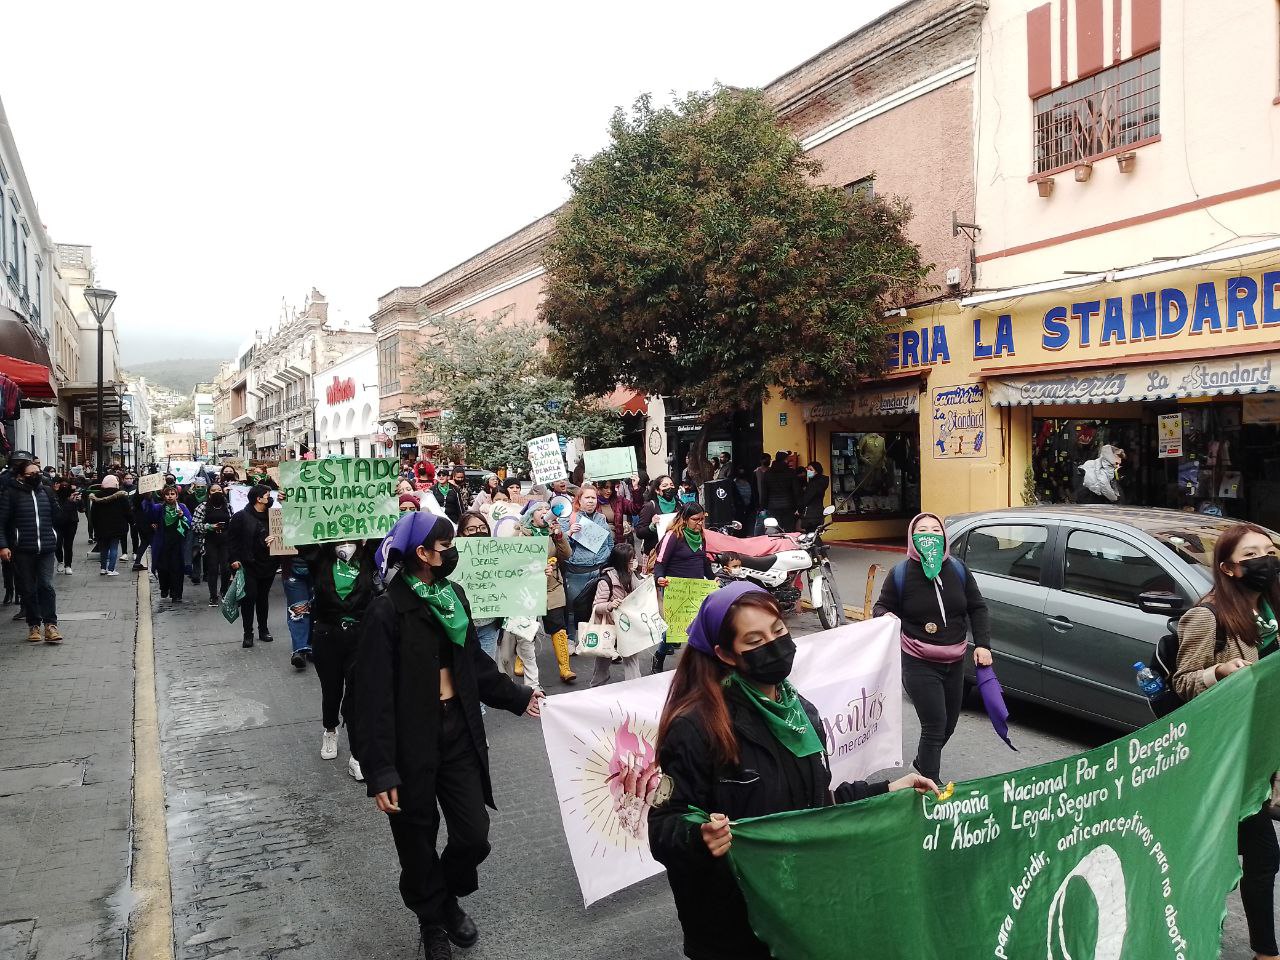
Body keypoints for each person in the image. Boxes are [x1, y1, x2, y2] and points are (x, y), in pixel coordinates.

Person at [649, 582, 937, 960]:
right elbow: (664, 823)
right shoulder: (696, 725)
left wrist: (888, 790)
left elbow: (819, 803)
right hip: (735, 928)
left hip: (801, 913)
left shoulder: (800, 712)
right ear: (725, 653)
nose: (773, 644)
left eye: (779, 631)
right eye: (754, 640)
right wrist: (698, 835)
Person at [354, 512, 543, 959]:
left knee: (473, 835)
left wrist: (519, 697)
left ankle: (441, 896)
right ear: (422, 553)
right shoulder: (388, 608)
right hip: (409, 741)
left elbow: (473, 666)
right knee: (417, 840)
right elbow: (371, 695)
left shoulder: (453, 595)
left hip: (457, 730)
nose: (452, 552)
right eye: (444, 546)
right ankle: (433, 917)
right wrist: (380, 769)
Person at [1172, 522, 1280, 960]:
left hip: (1263, 749)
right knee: (1259, 855)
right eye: (1251, 555)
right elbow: (1182, 682)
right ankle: (1265, 951)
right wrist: (1217, 672)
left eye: (1270, 550)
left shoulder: (1272, 609)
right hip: (1226, 758)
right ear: (1228, 568)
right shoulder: (1207, 616)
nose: (1266, 560)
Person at [873, 512, 992, 784]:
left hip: (955, 659)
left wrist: (983, 645)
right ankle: (930, 784)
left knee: (949, 724)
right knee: (935, 724)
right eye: (922, 530)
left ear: (944, 536)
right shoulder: (901, 574)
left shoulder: (958, 569)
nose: (929, 535)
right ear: (913, 538)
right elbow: (881, 606)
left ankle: (921, 763)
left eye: (935, 530)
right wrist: (886, 617)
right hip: (918, 660)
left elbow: (977, 607)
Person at [298, 537, 380, 782]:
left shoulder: (367, 558)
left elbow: (381, 530)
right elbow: (302, 536)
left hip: (360, 637)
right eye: (339, 539)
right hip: (327, 636)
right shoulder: (321, 560)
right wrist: (289, 501)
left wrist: (389, 498)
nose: (345, 543)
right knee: (331, 690)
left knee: (357, 695)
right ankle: (330, 728)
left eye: (349, 538)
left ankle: (357, 755)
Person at [499, 500, 572, 693]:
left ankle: (565, 667)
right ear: (531, 514)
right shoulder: (520, 533)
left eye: (547, 509)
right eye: (540, 509)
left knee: (558, 624)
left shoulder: (552, 532)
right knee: (526, 626)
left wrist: (559, 536)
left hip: (551, 585)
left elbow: (567, 554)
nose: (546, 512)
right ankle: (521, 661)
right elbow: (511, 560)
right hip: (528, 588)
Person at [0, 456, 63, 643]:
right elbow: (1, 523)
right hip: (22, 549)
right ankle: (34, 625)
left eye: (38, 472)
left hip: (46, 547)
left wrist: (64, 501)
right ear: (21, 476)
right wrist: (3, 545)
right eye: (32, 473)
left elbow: (57, 517)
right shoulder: (10, 493)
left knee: (46, 585)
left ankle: (51, 625)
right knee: (28, 588)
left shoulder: (46, 492)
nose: (37, 475)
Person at [651, 501, 715, 674]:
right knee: (675, 630)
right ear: (685, 519)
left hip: (696, 588)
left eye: (702, 519)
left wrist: (713, 579)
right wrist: (660, 578)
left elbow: (703, 561)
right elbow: (660, 562)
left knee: (698, 626)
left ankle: (696, 664)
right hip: (676, 589)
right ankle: (660, 655)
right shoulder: (672, 536)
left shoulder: (701, 536)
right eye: (696, 519)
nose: (700, 523)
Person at [563, 485, 614, 669]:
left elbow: (609, 541)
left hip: (598, 569)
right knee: (572, 606)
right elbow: (561, 546)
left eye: (593, 498)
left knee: (595, 607)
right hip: (577, 570)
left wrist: (605, 557)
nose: (591, 501)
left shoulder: (601, 519)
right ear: (579, 500)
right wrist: (569, 534)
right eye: (587, 498)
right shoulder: (570, 518)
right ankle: (570, 639)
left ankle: (591, 639)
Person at [228, 484, 280, 647]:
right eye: (267, 495)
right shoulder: (241, 517)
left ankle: (263, 629)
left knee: (263, 598)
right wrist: (234, 559)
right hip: (248, 564)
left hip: (269, 564)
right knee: (249, 598)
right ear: (258, 499)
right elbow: (232, 540)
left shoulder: (274, 517)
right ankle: (248, 632)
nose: (269, 498)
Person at [589, 542, 644, 686]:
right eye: (630, 559)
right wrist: (609, 605)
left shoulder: (630, 575)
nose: (633, 562)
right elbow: (596, 605)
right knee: (603, 658)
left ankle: (634, 687)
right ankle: (597, 687)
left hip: (626, 625)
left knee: (631, 657)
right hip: (610, 626)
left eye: (633, 559)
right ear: (622, 562)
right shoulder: (606, 580)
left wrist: (651, 581)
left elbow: (639, 589)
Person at [456, 511, 499, 661]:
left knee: (488, 671)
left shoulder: (500, 553)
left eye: (482, 527)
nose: (478, 532)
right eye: (472, 529)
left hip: (489, 624)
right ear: (461, 534)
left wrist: (539, 573)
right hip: (462, 627)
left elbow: (517, 574)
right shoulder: (451, 556)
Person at [145, 486, 194, 604]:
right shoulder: (159, 508)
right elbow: (149, 513)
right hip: (163, 542)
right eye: (167, 494)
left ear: (176, 496)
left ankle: (176, 594)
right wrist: (148, 498)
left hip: (177, 543)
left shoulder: (182, 507)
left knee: (177, 568)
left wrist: (182, 516)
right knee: (163, 568)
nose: (170, 496)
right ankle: (164, 588)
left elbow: (190, 522)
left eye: (172, 494)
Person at [194, 482, 233, 606]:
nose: (216, 492)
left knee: (226, 568)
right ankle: (213, 596)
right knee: (213, 569)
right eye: (213, 490)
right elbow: (195, 525)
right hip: (210, 541)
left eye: (219, 490)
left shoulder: (228, 506)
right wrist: (210, 527)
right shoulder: (202, 507)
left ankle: (224, 590)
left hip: (225, 541)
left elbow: (233, 522)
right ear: (209, 493)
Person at [88, 475, 132, 576]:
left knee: (103, 548)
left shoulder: (97, 497)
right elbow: (128, 512)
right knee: (114, 547)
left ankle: (103, 568)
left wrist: (94, 527)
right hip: (117, 527)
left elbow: (93, 514)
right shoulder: (121, 496)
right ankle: (111, 569)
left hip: (101, 527)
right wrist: (131, 522)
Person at [282, 553, 315, 670]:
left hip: (319, 568)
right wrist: (267, 541)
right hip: (293, 570)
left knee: (316, 608)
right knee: (298, 610)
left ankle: (311, 646)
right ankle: (300, 648)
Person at [638, 475, 679, 561]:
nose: (669, 488)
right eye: (665, 486)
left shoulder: (679, 505)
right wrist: (652, 526)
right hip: (655, 554)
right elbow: (639, 533)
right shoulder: (650, 506)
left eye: (671, 485)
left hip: (675, 552)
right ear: (657, 490)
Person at [761, 451, 799, 532]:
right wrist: (798, 506)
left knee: (775, 529)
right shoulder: (791, 472)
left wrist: (763, 506)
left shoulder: (768, 473)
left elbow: (764, 492)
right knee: (789, 529)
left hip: (772, 506)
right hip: (788, 506)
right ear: (785, 460)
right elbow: (796, 491)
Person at [52, 476, 83, 575]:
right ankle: (60, 561)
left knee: (68, 545)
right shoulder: (54, 495)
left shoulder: (73, 494)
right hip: (57, 522)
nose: (64, 486)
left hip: (71, 522)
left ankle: (68, 565)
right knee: (57, 543)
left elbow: (81, 509)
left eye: (67, 484)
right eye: (62, 484)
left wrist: (78, 500)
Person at [796, 461, 830, 532]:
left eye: (811, 470)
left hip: (811, 514)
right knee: (814, 534)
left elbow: (807, 498)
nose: (808, 471)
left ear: (817, 471)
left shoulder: (814, 484)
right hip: (817, 512)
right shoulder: (819, 482)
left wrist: (799, 509)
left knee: (811, 534)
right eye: (807, 469)